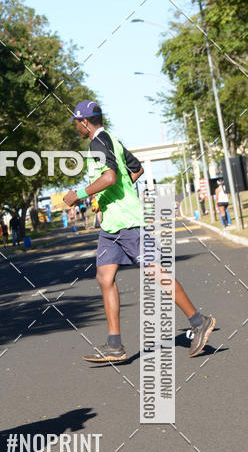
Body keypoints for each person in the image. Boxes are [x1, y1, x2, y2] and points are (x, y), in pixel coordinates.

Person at [63, 100, 215, 362]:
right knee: (104, 277)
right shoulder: (112, 139)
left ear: (85, 122)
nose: (76, 127)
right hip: (112, 225)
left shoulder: (98, 143)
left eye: (77, 122)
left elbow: (110, 177)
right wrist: (107, 197)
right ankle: (114, 346)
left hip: (126, 222)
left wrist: (78, 194)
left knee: (155, 271)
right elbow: (136, 170)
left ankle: (198, 321)